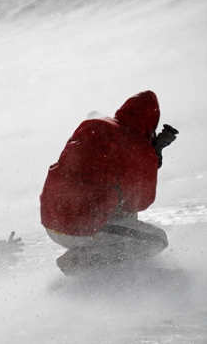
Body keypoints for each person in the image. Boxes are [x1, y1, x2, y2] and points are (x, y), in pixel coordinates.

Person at [39, 91, 178, 274]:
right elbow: (141, 202)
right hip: (81, 228)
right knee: (157, 240)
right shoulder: (136, 148)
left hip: (52, 222)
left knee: (119, 207)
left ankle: (92, 262)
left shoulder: (94, 125)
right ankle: (82, 263)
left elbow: (98, 169)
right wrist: (150, 158)